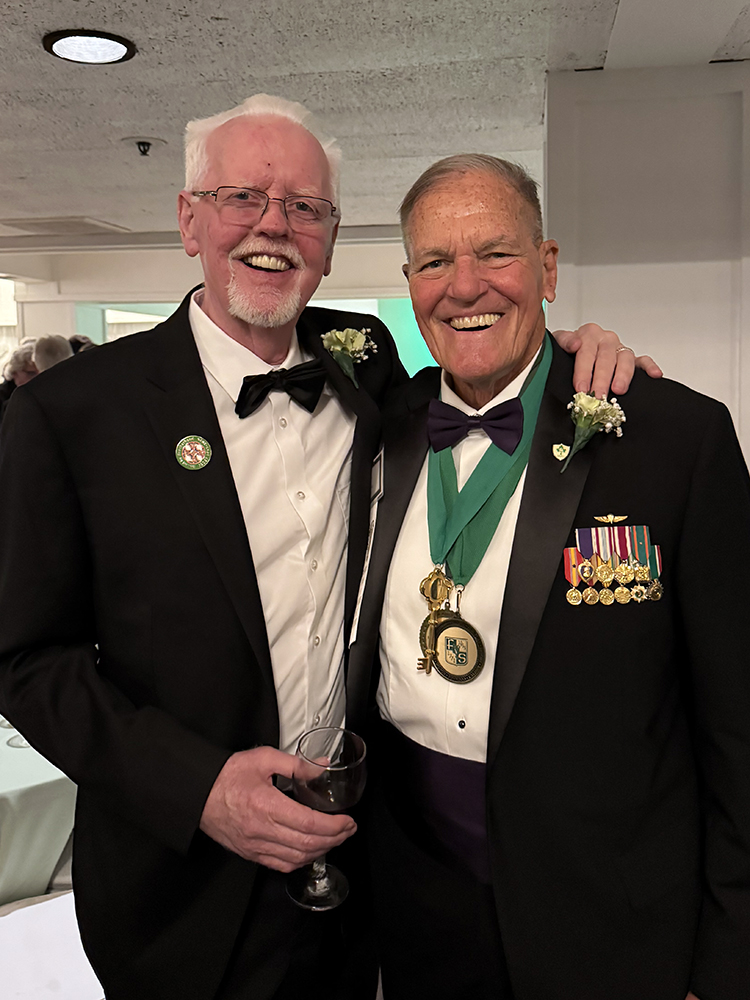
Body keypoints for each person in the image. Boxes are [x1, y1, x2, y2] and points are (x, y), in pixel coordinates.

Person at [0, 98, 647, 1000]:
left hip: (358, 875)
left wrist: (572, 350)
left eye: (305, 206)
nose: (273, 225)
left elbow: (482, 370)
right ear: (188, 221)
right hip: (180, 894)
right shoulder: (69, 413)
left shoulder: (365, 358)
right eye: (240, 197)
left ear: (332, 239)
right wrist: (196, 788)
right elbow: (27, 661)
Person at [346, 154, 750, 1000]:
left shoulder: (676, 440)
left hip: (613, 919)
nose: (465, 287)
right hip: (417, 906)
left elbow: (737, 724)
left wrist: (726, 962)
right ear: (409, 283)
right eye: (434, 261)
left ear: (548, 268)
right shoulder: (380, 426)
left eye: (496, 253)